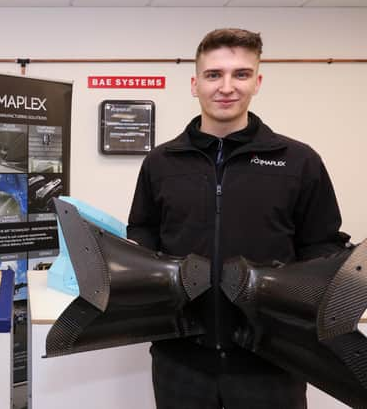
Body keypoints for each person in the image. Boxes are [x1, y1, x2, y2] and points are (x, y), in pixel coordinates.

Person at [127, 28, 349, 409]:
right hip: (180, 360)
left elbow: (322, 245)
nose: (226, 87)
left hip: (272, 361)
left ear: (257, 82)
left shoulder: (298, 161)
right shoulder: (161, 162)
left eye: (241, 74)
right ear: (195, 84)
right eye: (214, 75)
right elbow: (143, 230)